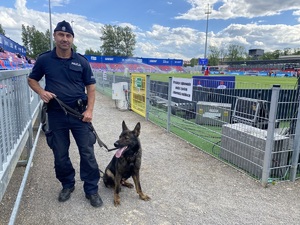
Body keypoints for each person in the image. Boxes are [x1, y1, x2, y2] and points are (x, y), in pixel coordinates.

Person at [27, 20, 102, 208]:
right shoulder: (44, 60)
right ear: (54, 36)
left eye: (68, 36)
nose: (64, 39)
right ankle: (67, 185)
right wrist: (41, 92)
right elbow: (32, 79)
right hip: (56, 114)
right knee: (60, 155)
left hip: (79, 115)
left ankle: (91, 190)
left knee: (87, 153)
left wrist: (90, 110)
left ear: (72, 39)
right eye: (61, 35)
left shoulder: (81, 61)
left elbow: (91, 87)